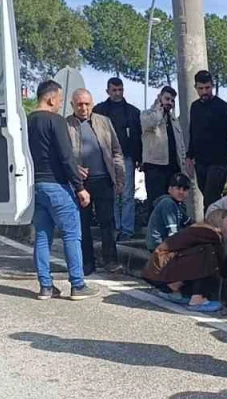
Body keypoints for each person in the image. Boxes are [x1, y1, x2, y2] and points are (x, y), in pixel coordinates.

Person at [27, 79, 101, 301]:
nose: (60, 104)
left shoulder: (27, 121)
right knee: (71, 234)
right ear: (51, 99)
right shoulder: (56, 121)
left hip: (35, 186)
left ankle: (45, 287)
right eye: (59, 100)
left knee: (42, 237)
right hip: (57, 186)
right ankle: (77, 285)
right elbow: (66, 156)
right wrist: (79, 187)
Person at [66, 88, 125, 274]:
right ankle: (87, 263)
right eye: (79, 104)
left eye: (87, 104)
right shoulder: (65, 125)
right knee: (83, 224)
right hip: (80, 184)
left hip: (104, 180)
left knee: (107, 222)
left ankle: (110, 260)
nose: (83, 108)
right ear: (72, 105)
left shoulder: (104, 122)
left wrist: (120, 177)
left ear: (92, 104)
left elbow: (116, 151)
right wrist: (74, 169)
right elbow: (62, 156)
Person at [142, 208, 227, 313]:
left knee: (206, 255)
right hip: (161, 271)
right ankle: (197, 299)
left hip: (156, 271)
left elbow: (224, 267)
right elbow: (220, 265)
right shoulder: (209, 234)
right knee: (207, 252)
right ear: (218, 220)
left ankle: (173, 288)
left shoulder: (201, 230)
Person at [94, 77, 143, 240]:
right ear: (107, 91)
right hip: (105, 158)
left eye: (120, 89)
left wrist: (139, 157)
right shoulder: (98, 111)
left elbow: (138, 137)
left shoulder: (133, 112)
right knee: (112, 194)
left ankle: (127, 230)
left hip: (127, 156)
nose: (117, 93)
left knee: (127, 195)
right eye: (114, 90)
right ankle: (113, 227)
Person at [187, 70, 227, 208]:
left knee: (210, 200)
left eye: (207, 88)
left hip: (219, 163)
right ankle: (218, 220)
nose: (204, 92)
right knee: (209, 199)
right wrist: (189, 157)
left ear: (212, 86)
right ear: (196, 88)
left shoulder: (222, 107)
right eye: (201, 88)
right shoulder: (194, 107)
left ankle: (210, 222)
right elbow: (193, 133)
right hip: (200, 163)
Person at [140, 86, 188, 206]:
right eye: (167, 99)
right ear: (159, 97)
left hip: (173, 168)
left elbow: (180, 144)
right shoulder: (147, 114)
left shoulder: (174, 120)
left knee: (174, 203)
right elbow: (150, 123)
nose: (170, 103)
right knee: (156, 203)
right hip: (155, 167)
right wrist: (158, 110)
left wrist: (182, 167)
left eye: (172, 100)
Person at [146, 172, 193, 251]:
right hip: (158, 245)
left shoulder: (179, 205)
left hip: (166, 242)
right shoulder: (168, 203)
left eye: (185, 189)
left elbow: (189, 222)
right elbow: (172, 234)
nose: (181, 192)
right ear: (169, 189)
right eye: (178, 188)